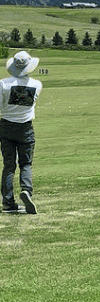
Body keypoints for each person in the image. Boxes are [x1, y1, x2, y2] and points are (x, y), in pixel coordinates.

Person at [1, 50, 43, 214]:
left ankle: (8, 202)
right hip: (25, 128)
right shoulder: (36, 84)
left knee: (9, 165)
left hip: (6, 126)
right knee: (25, 164)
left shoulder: (3, 84)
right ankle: (26, 191)